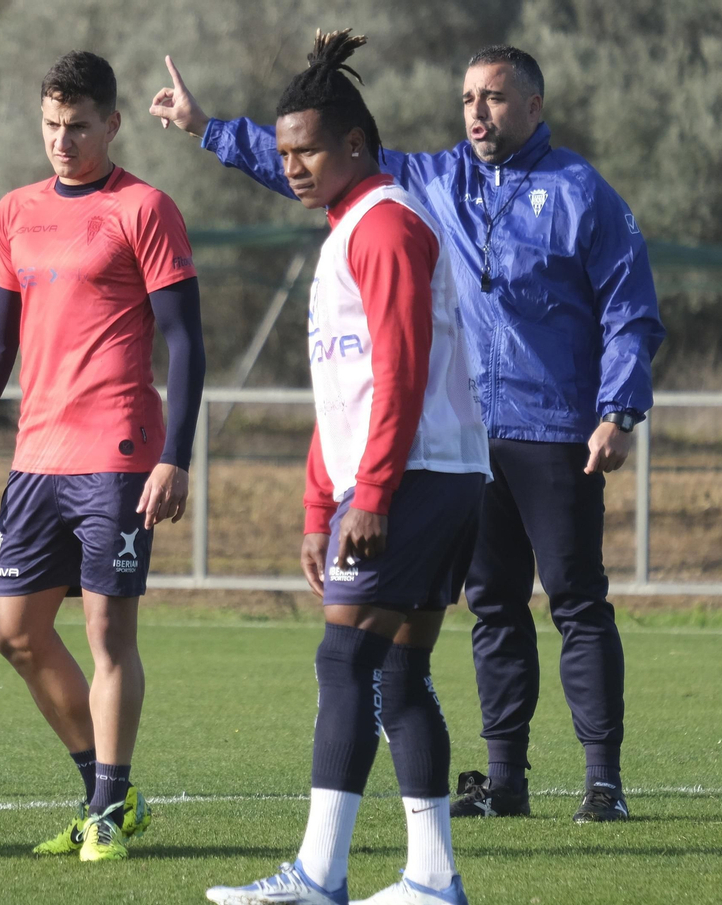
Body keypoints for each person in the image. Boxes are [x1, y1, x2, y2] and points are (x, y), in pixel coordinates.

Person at [152, 44, 664, 823]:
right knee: (492, 605)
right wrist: (206, 129)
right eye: (467, 98)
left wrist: (618, 409)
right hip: (467, 440)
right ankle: (505, 780)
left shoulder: (580, 192)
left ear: (533, 107)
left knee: (576, 601)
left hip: (557, 429)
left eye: (494, 97)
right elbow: (317, 155)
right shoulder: (432, 180)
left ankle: (603, 781)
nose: (477, 112)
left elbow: (631, 304)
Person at [203, 30, 488, 905]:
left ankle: (319, 874)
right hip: (418, 479)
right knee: (396, 672)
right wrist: (316, 506)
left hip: (418, 480)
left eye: (308, 149)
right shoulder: (347, 231)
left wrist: (369, 495)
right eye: (283, 152)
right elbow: (344, 388)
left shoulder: (387, 226)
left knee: (343, 661)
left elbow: (400, 370)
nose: (291, 165)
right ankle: (431, 880)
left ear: (356, 145)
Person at [0, 49, 206, 863]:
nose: (62, 139)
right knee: (13, 630)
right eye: (51, 124)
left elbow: (186, 342)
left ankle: (109, 810)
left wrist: (175, 455)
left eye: (78, 125)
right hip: (37, 458)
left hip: (118, 453)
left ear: (112, 124)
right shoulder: (16, 211)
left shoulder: (145, 209)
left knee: (107, 631)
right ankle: (107, 790)